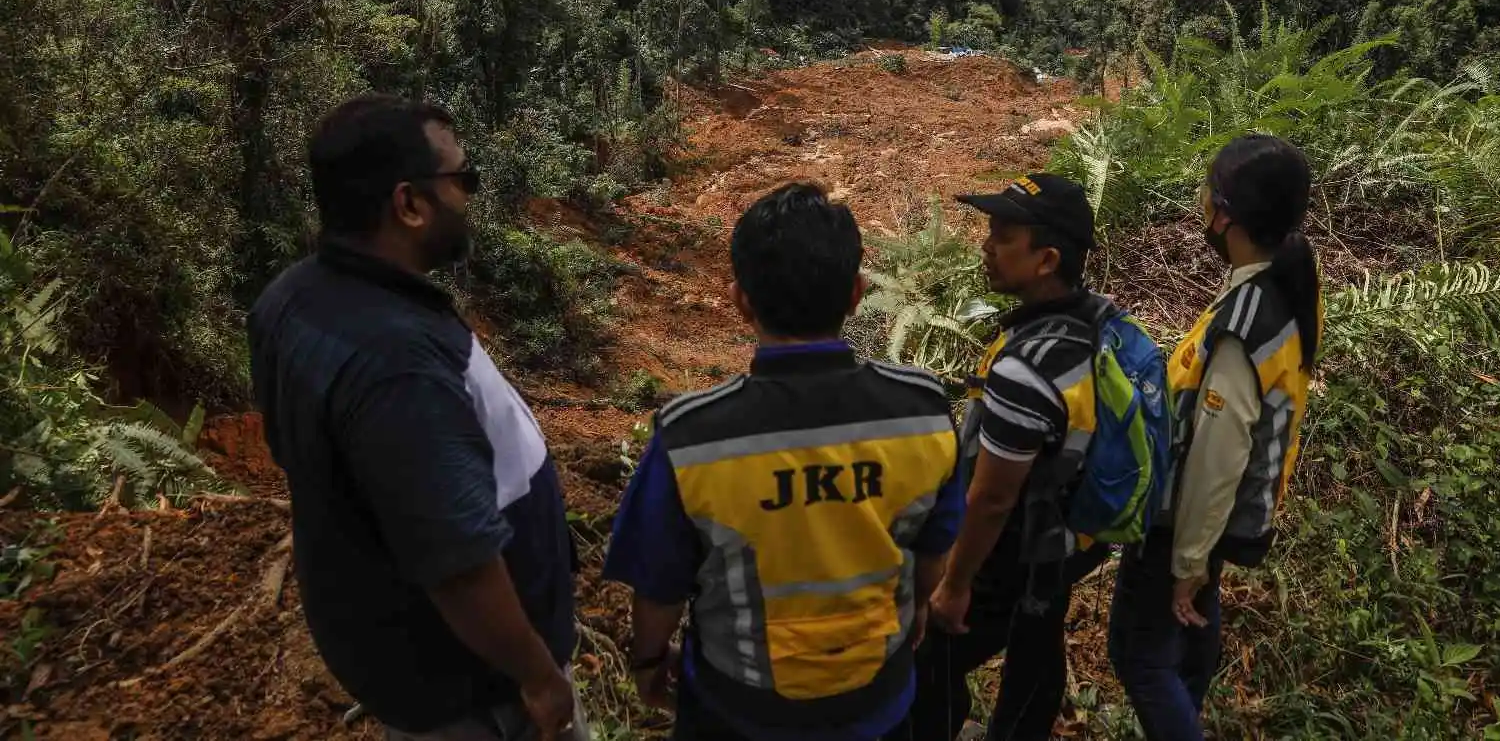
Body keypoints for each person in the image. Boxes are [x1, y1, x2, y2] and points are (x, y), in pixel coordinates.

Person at [249, 95, 584, 741]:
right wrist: (540, 677)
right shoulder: (398, 366)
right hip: (482, 697)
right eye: (463, 179)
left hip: (414, 666)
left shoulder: (291, 299)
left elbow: (298, 451)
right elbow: (457, 561)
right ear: (408, 204)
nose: (471, 196)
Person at [603, 182, 965, 741]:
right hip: (879, 702)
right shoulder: (923, 411)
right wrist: (916, 610)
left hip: (738, 711)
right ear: (857, 294)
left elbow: (660, 586)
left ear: (740, 300)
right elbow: (933, 549)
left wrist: (649, 662)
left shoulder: (691, 438)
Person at [1107, 134, 1323, 741]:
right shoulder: (1287, 278)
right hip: (1222, 518)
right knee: (1191, 628)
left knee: (1138, 655)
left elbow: (1217, 456)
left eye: (1208, 194)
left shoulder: (1243, 326)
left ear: (1226, 213)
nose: (1202, 205)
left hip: (1185, 518)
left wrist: (1189, 559)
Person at [891, 173, 1115, 741]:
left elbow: (991, 497)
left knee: (927, 655)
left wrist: (955, 581)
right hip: (1070, 533)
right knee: (1037, 633)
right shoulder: (1096, 322)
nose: (986, 245)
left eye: (1004, 235)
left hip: (1015, 545)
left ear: (1046, 259)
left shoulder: (1029, 364)